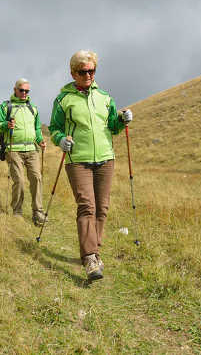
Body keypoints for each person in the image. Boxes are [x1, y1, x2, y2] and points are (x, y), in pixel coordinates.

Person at [49, 50, 132, 281]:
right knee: (87, 206)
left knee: (102, 208)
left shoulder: (105, 97)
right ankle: (90, 258)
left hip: (105, 158)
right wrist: (60, 140)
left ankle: (95, 250)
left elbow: (113, 127)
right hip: (78, 160)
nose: (88, 75)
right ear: (73, 73)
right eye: (83, 71)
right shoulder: (63, 100)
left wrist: (123, 120)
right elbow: (54, 128)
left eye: (92, 70)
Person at [0, 78, 47, 226]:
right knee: (20, 181)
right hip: (13, 149)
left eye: (27, 91)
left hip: (32, 149)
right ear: (15, 90)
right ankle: (17, 212)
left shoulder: (33, 108)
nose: (24, 93)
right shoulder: (6, 107)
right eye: (21, 90)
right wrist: (6, 124)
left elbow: (36, 129)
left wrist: (40, 140)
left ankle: (38, 213)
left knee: (37, 178)